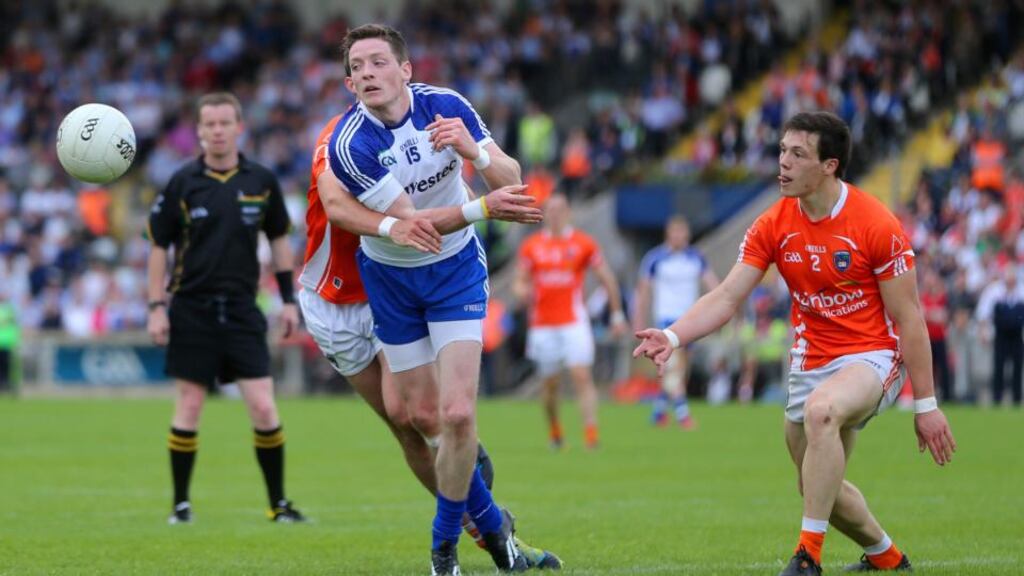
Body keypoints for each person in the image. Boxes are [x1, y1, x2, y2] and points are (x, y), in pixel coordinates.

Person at [634, 111, 956, 575]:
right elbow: (727, 296)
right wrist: (671, 335)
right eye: (782, 150)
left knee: (822, 412)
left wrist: (925, 406)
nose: (782, 162)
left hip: (873, 356)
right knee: (817, 487)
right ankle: (888, 558)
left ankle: (808, 558)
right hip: (811, 360)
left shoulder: (876, 224)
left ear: (829, 166)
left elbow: (909, 317)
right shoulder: (773, 223)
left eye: (798, 154)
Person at [326, 24, 548, 574]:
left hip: (454, 273)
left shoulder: (447, 105)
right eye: (357, 67)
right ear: (349, 82)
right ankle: (497, 533)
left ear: (406, 70)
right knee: (424, 416)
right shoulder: (349, 144)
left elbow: (511, 177)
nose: (368, 73)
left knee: (456, 413)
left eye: (379, 62)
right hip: (393, 280)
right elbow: (415, 226)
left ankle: (443, 548)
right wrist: (483, 208)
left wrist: (472, 150)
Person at [146, 92, 304, 524]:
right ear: (198, 131)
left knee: (265, 408)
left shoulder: (261, 180)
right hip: (191, 308)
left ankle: (279, 505)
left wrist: (289, 300)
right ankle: (180, 506)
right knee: (190, 406)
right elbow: (159, 245)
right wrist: (156, 305)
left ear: (239, 127)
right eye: (208, 124)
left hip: (241, 308)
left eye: (224, 123)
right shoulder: (182, 182)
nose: (216, 130)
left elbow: (278, 241)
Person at [513, 193, 627, 449]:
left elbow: (607, 278)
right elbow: (519, 281)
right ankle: (555, 431)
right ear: (545, 214)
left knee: (581, 375)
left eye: (559, 210)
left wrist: (617, 315)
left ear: (568, 213)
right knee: (550, 384)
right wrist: (521, 291)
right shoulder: (532, 247)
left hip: (573, 320)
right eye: (550, 210)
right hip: (542, 324)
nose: (555, 215)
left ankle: (591, 435)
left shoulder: (583, 244)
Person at [633, 215, 719, 428]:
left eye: (682, 232)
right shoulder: (655, 258)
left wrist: (721, 309)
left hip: (691, 321)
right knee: (675, 367)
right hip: (667, 320)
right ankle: (683, 414)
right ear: (668, 234)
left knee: (680, 370)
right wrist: (638, 321)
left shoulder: (696, 258)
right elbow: (642, 292)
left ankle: (659, 412)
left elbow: (713, 285)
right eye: (675, 232)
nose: (679, 236)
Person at [975, 264, 1024, 407]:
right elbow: (983, 312)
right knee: (998, 366)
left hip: (1017, 335)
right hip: (1000, 335)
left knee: (1017, 367)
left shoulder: (1021, 291)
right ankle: (997, 398)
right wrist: (983, 331)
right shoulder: (994, 291)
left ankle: (1016, 399)